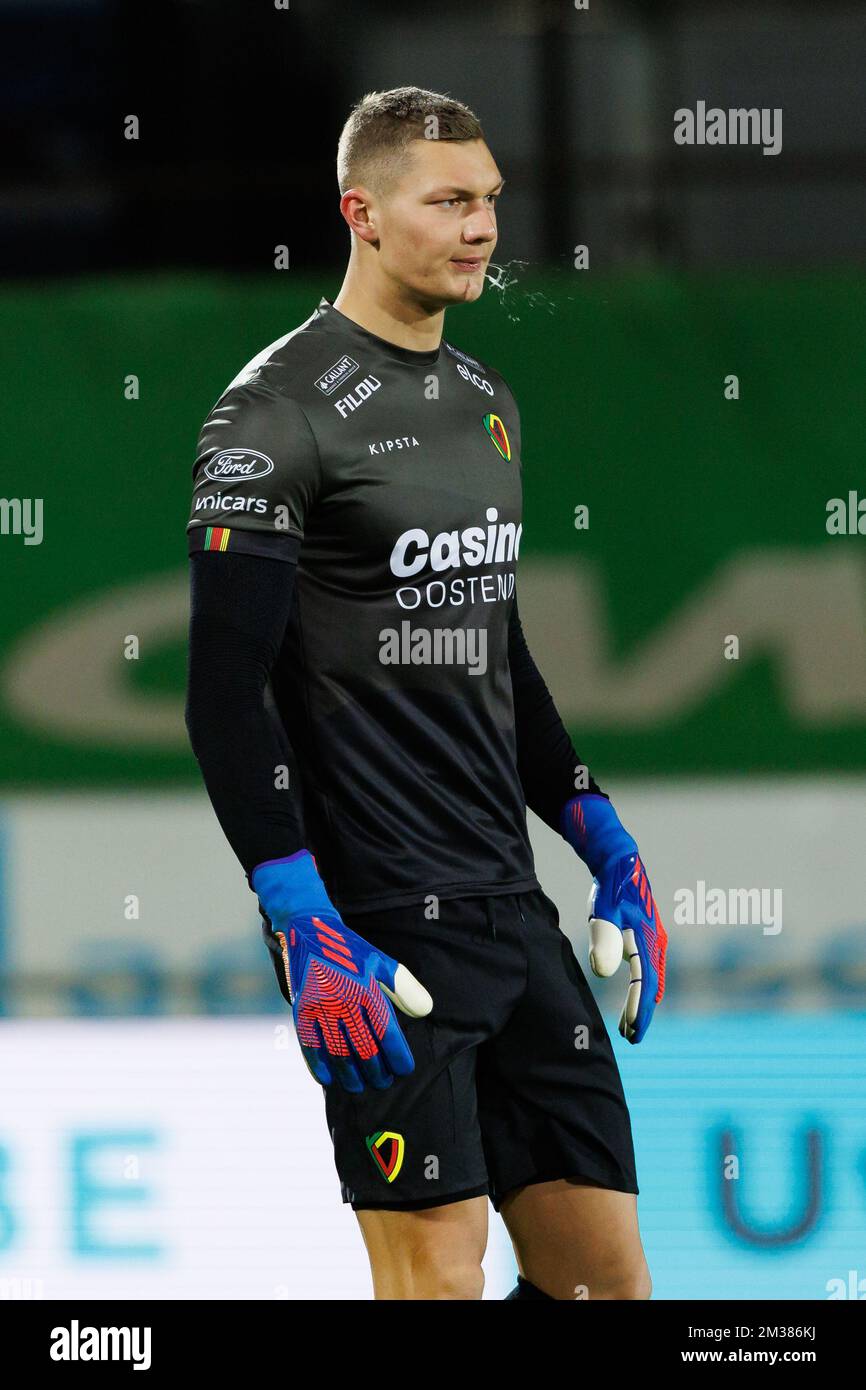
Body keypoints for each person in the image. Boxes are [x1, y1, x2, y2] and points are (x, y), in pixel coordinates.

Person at [185, 85, 667, 1301]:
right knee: (434, 1287)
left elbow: (496, 654)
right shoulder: (273, 412)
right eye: (447, 200)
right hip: (378, 929)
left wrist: (597, 832)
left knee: (607, 1289)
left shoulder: (486, 404)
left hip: (511, 912)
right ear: (361, 212)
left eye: (490, 200)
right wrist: (298, 912)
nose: (480, 227)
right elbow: (221, 691)